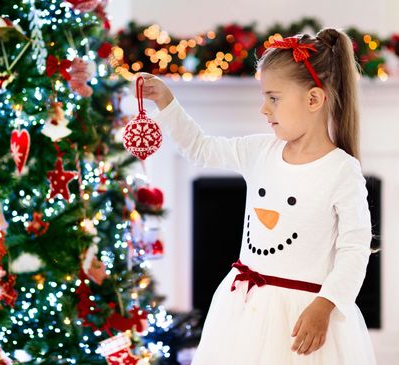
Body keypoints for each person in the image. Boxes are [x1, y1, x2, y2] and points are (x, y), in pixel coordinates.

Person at [136, 28, 376, 364]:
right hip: (244, 309)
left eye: (273, 98)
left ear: (313, 99)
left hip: (304, 317)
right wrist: (165, 100)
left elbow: (354, 248)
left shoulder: (341, 170)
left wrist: (326, 304)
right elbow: (201, 148)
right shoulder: (259, 151)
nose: (264, 109)